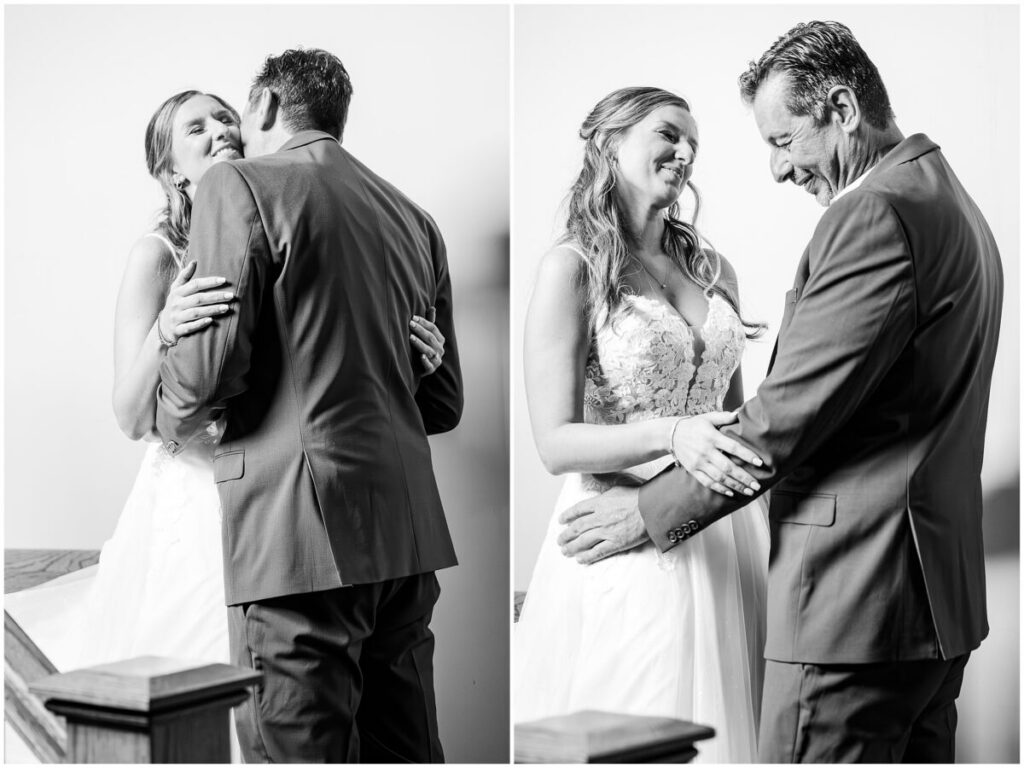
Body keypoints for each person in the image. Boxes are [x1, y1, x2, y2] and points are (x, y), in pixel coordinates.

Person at [558, 22, 1003, 762]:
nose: (776, 168)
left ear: (841, 108)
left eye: (783, 140)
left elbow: (785, 417)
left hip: (853, 602)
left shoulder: (874, 214)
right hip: (930, 612)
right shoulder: (953, 206)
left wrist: (645, 510)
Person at [3, 89, 446, 677]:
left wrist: (414, 356)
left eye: (224, 116)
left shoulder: (283, 217)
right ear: (169, 171)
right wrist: (164, 327)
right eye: (195, 128)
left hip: (289, 496)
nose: (220, 129)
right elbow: (131, 417)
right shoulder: (156, 257)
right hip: (192, 494)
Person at [154, 48, 462, 763]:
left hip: (295, 543)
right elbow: (443, 404)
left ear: (263, 106)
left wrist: (168, 415)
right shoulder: (416, 219)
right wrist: (412, 360)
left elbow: (207, 374)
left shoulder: (237, 185)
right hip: (406, 540)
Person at [514, 87, 770, 763]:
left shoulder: (716, 271)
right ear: (609, 143)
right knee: (639, 723)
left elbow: (735, 421)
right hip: (620, 534)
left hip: (724, 530)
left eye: (693, 143)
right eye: (668, 134)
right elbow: (554, 441)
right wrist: (670, 435)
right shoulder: (570, 268)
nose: (685, 153)